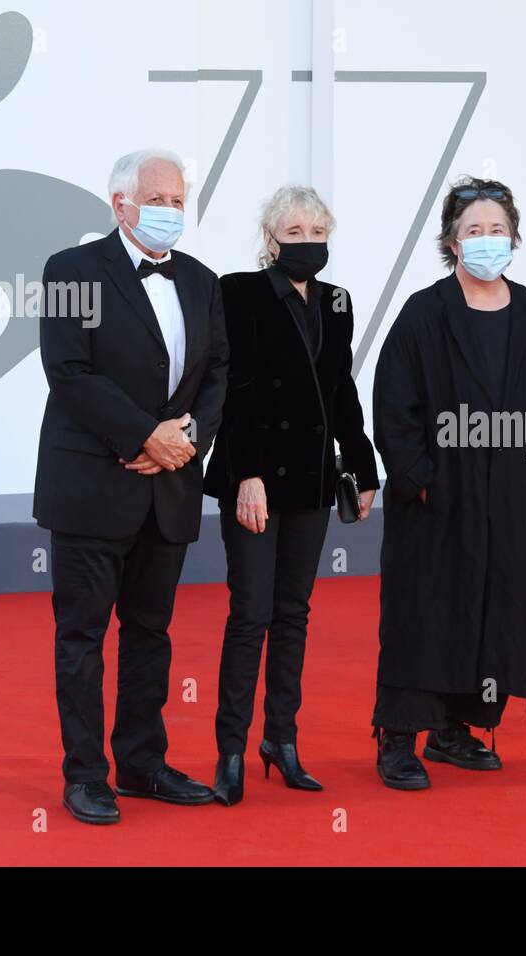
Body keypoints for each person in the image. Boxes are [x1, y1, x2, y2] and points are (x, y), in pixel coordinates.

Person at [35, 149, 229, 824]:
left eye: (178, 200)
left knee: (151, 632)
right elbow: (68, 370)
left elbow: (217, 378)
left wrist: (187, 439)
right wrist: (147, 434)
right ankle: (86, 775)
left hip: (169, 488)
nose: (169, 211)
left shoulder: (205, 282)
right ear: (120, 204)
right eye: (156, 199)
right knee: (82, 636)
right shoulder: (70, 270)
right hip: (93, 485)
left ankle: (143, 764)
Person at [370, 177, 526, 790]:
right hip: (440, 496)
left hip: (514, 495)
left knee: (497, 606)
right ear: (452, 242)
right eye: (473, 231)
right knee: (426, 609)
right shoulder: (424, 314)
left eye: (498, 230)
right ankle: (400, 737)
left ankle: (458, 730)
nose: (488, 241)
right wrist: (419, 478)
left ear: (514, 236)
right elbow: (393, 405)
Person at [202, 186, 379, 805]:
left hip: (311, 478)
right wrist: (246, 472)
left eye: (316, 230)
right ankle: (230, 750)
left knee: (294, 613)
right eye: (294, 231)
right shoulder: (239, 292)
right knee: (251, 614)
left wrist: (363, 467)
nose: (307, 241)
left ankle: (282, 739)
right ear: (271, 238)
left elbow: (341, 391)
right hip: (254, 479)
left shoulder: (337, 300)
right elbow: (235, 386)